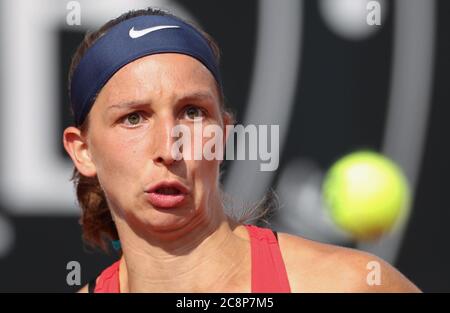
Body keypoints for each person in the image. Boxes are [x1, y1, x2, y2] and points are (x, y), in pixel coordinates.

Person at [63, 7, 420, 293]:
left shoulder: (350, 286)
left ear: (224, 133)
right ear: (83, 151)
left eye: (192, 112)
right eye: (134, 118)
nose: (169, 150)